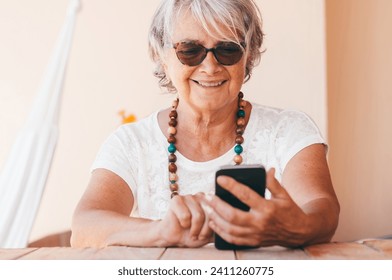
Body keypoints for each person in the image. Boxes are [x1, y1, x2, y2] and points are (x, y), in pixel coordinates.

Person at [71, 0, 340, 248]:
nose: (210, 67)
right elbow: (84, 229)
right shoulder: (131, 142)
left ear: (247, 57)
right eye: (190, 50)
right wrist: (161, 232)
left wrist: (295, 227)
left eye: (227, 50)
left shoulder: (290, 130)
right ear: (163, 57)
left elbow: (322, 210)